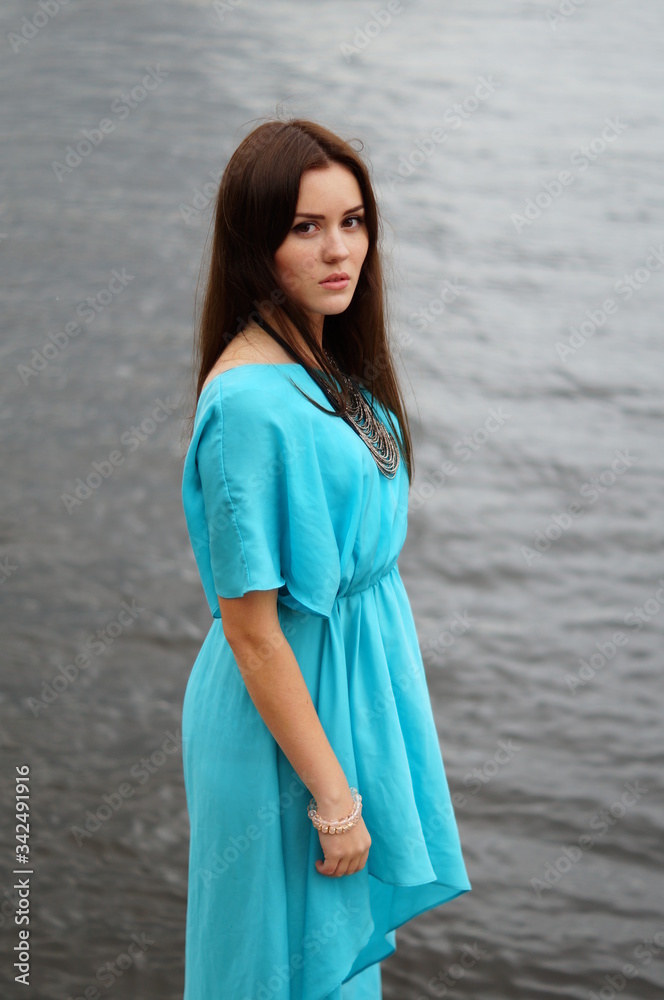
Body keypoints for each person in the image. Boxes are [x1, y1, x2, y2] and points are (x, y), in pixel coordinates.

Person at [180, 117, 471, 1000]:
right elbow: (251, 630)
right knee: (275, 973)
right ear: (254, 242)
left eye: (352, 222)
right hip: (284, 723)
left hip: (343, 693)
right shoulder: (247, 404)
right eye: (305, 227)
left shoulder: (320, 354)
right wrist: (335, 799)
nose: (339, 250)